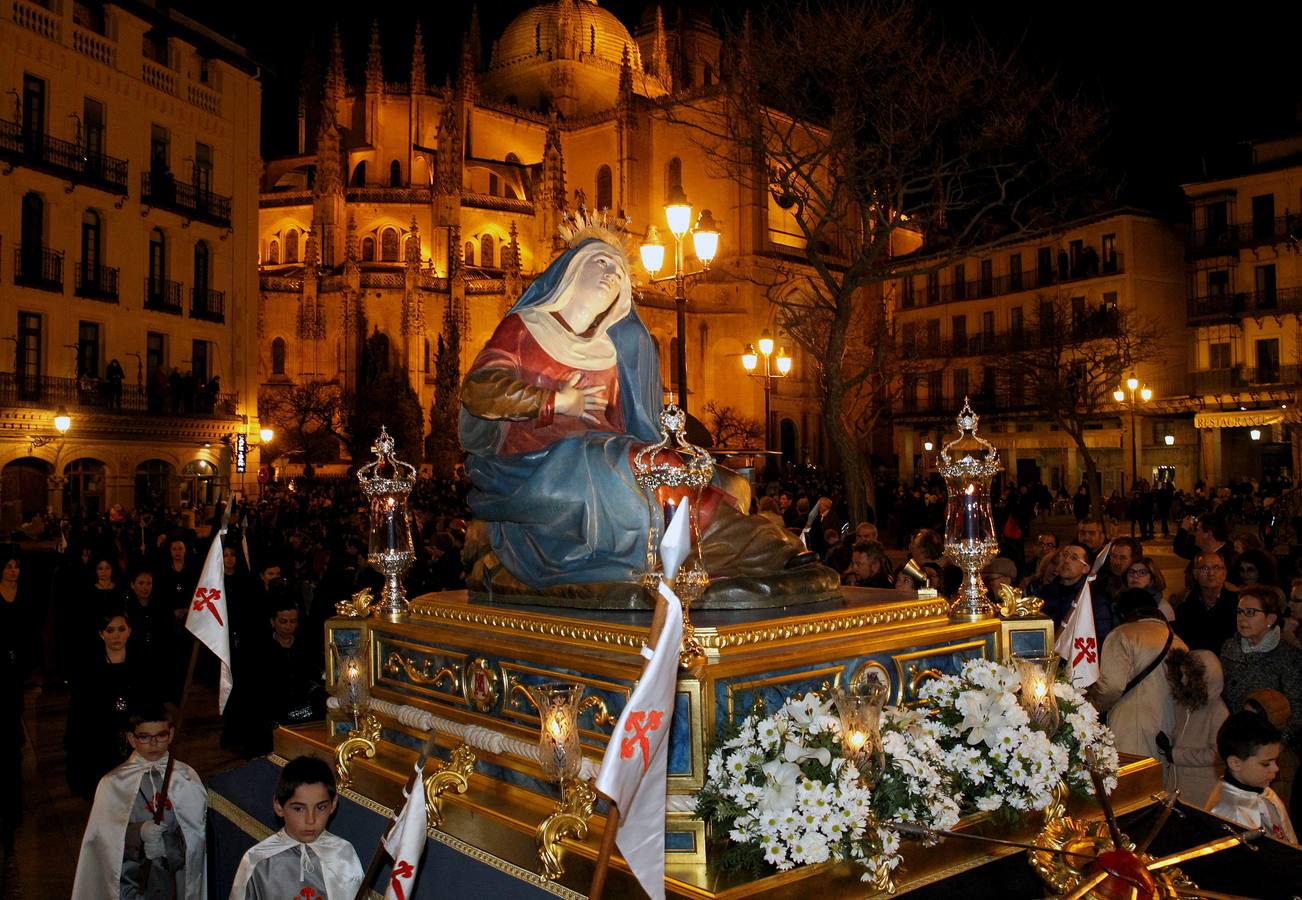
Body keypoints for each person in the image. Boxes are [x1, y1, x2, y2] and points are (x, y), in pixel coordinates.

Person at [459, 235, 811, 591]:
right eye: (601, 261)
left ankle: (719, 548)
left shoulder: (615, 349)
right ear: (570, 270)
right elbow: (479, 391)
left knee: (722, 479)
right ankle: (754, 546)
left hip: (602, 459)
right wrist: (555, 402)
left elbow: (634, 426)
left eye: (619, 270)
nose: (612, 272)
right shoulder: (527, 326)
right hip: (534, 468)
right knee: (640, 467)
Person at [70, 703, 207, 899]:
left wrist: (168, 847)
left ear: (172, 734)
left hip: (176, 882)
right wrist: (138, 833)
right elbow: (103, 841)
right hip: (133, 885)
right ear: (131, 739)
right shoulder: (113, 783)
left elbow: (200, 833)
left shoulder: (186, 777)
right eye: (144, 737)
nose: (154, 743)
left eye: (161, 735)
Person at [229, 755, 364, 899]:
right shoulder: (258, 862)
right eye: (299, 809)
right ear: (279, 806)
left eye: (320, 807)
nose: (310, 820)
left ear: (333, 804)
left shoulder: (343, 856)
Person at [1218, 585, 1302, 801]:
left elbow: (1297, 707)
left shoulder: (1287, 656)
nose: (1242, 618)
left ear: (1271, 618)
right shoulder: (1229, 648)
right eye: (1239, 611)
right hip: (1238, 750)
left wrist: (1277, 744)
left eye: (1250, 612)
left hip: (1273, 754)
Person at [66, 610, 161, 799]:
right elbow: (81, 709)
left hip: (134, 732)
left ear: (129, 631)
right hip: (100, 735)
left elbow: (150, 698)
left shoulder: (143, 662)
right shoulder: (88, 666)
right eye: (110, 630)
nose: (116, 635)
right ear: (101, 634)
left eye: (121, 629)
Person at [1090, 589, 1185, 768]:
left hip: (1131, 729)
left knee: (1133, 789)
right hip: (1169, 730)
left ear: (1123, 612)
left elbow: (1110, 687)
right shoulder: (1178, 641)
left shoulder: (1123, 634)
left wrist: (1091, 706)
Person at [1205, 711, 1296, 843]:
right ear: (1235, 763)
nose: (1276, 768)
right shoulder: (1227, 813)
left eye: (1276, 761)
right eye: (1266, 764)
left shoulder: (1263, 790)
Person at [0, 548, 35, 867]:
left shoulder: (23, 595)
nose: (13, 571)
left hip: (14, 668)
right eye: (8, 567)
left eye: (16, 567)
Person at [1159, 649, 1228, 807]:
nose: (1183, 681)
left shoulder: (1218, 711)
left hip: (1200, 790)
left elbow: (1217, 754)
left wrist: (1176, 754)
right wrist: (1168, 743)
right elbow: (1183, 736)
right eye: (1181, 675)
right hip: (1178, 784)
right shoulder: (1186, 706)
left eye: (1187, 676)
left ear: (1202, 680)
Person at [1173, 551, 1237, 653]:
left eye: (1216, 568)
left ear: (1224, 573)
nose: (1211, 573)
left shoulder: (1238, 605)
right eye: (1204, 568)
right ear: (1195, 574)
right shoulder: (1185, 609)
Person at [1122, 557, 1174, 621]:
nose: (1135, 576)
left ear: (1152, 578)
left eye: (1142, 572)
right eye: (1131, 572)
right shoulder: (1121, 602)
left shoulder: (1162, 608)